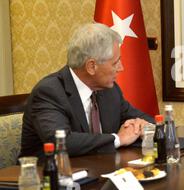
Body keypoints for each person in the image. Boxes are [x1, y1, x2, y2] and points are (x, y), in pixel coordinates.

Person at [20, 23, 155, 159]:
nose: (121, 68)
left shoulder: (109, 90)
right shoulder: (49, 92)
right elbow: (62, 142)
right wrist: (117, 139)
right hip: (47, 175)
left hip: (100, 170)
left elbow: (138, 117)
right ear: (91, 66)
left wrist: (144, 126)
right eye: (115, 63)